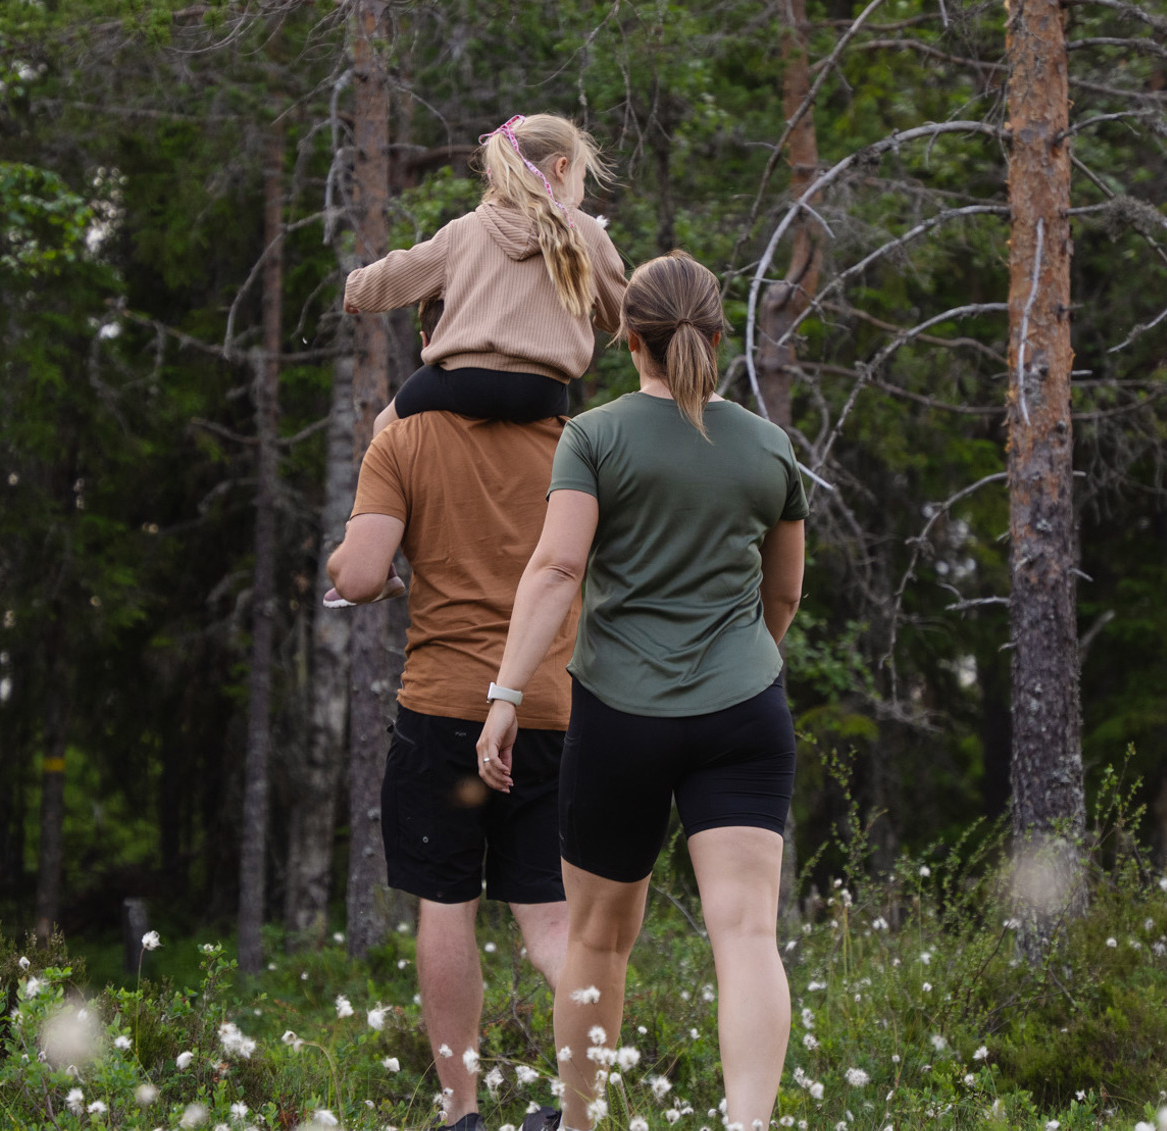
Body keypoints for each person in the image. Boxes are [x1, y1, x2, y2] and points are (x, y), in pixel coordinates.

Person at [474, 251, 810, 1131]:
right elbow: (783, 596)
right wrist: (738, 669)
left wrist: (506, 694)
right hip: (744, 714)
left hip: (620, 718)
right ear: (717, 335)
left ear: (628, 339)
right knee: (746, 934)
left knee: (597, 937)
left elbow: (557, 570)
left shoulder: (594, 437)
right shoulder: (768, 446)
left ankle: (581, 1125)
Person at [326, 407, 584, 1131]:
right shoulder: (575, 438)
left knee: (445, 904)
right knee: (555, 924)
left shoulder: (407, 438)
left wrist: (359, 569)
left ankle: (462, 1113)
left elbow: (359, 574)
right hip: (549, 706)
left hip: (443, 709)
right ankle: (582, 1110)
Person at [344, 113, 629, 432]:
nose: (583, 190)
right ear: (561, 168)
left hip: (463, 382)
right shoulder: (587, 233)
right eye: (583, 178)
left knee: (384, 425)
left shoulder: (464, 230)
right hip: (542, 393)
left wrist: (356, 290)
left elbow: (401, 272)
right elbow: (624, 313)